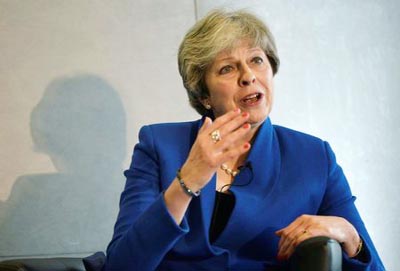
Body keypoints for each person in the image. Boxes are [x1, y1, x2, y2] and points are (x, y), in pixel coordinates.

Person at [104, 9, 385, 271]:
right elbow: (122, 264)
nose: (249, 76)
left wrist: (349, 236)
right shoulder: (159, 144)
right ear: (203, 95)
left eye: (256, 60)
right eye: (227, 68)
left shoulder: (314, 157)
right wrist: (188, 180)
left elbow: (376, 266)